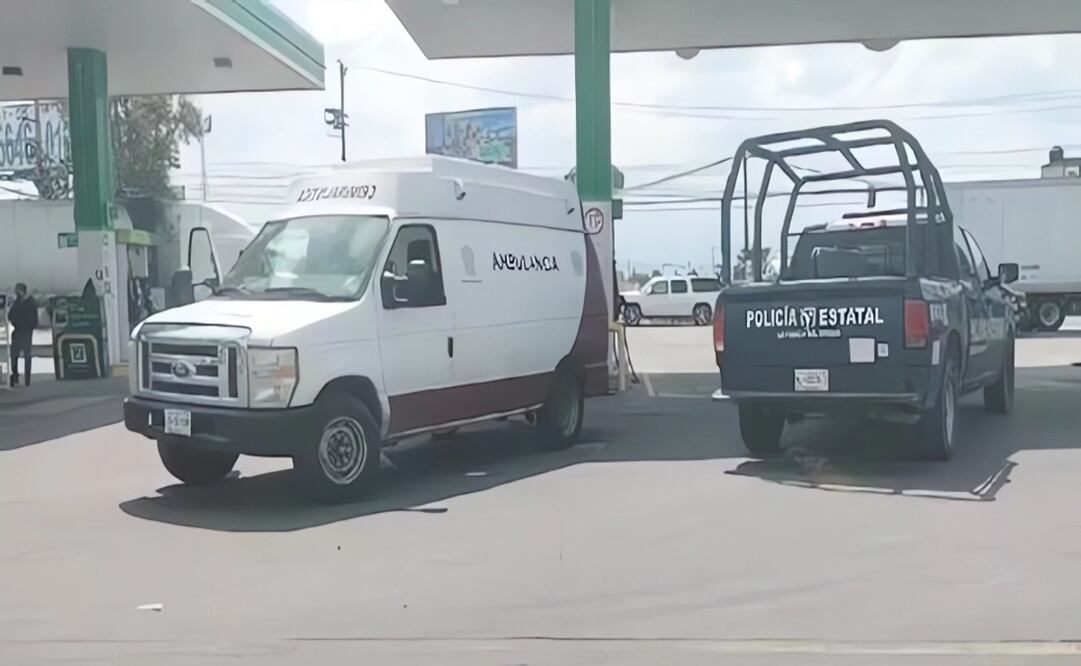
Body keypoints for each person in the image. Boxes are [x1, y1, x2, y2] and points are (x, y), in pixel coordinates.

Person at [8, 282, 38, 387]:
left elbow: (35, 319)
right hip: (18, 331)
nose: (17, 292)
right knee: (14, 355)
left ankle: (27, 379)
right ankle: (15, 375)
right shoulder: (17, 302)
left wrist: (29, 327)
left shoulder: (30, 303)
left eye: (18, 290)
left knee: (27, 356)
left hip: (26, 332)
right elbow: (10, 315)